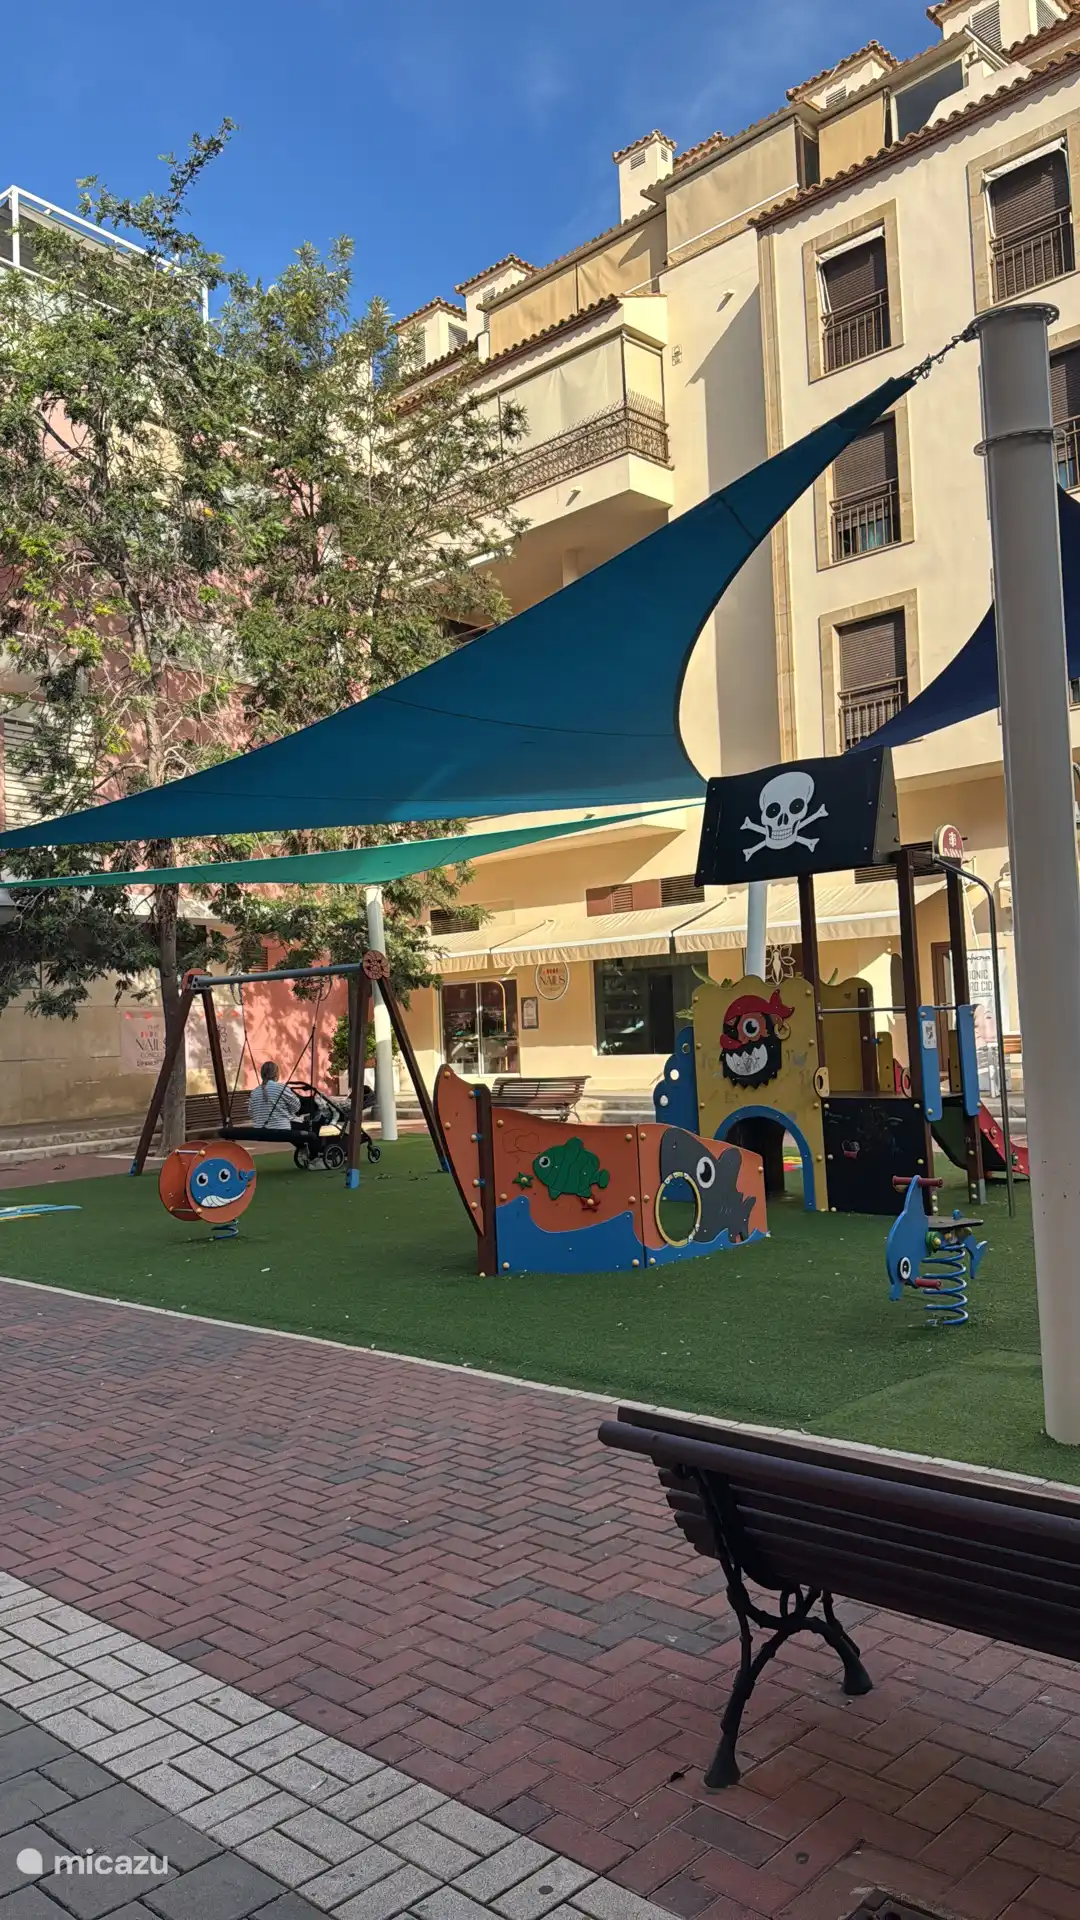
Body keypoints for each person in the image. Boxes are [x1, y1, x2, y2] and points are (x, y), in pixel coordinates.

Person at [249, 1061, 301, 1131]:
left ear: (262, 1075)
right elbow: (296, 1107)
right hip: (281, 1132)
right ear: (276, 1074)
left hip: (260, 1133)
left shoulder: (254, 1092)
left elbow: (251, 1113)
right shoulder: (282, 1088)